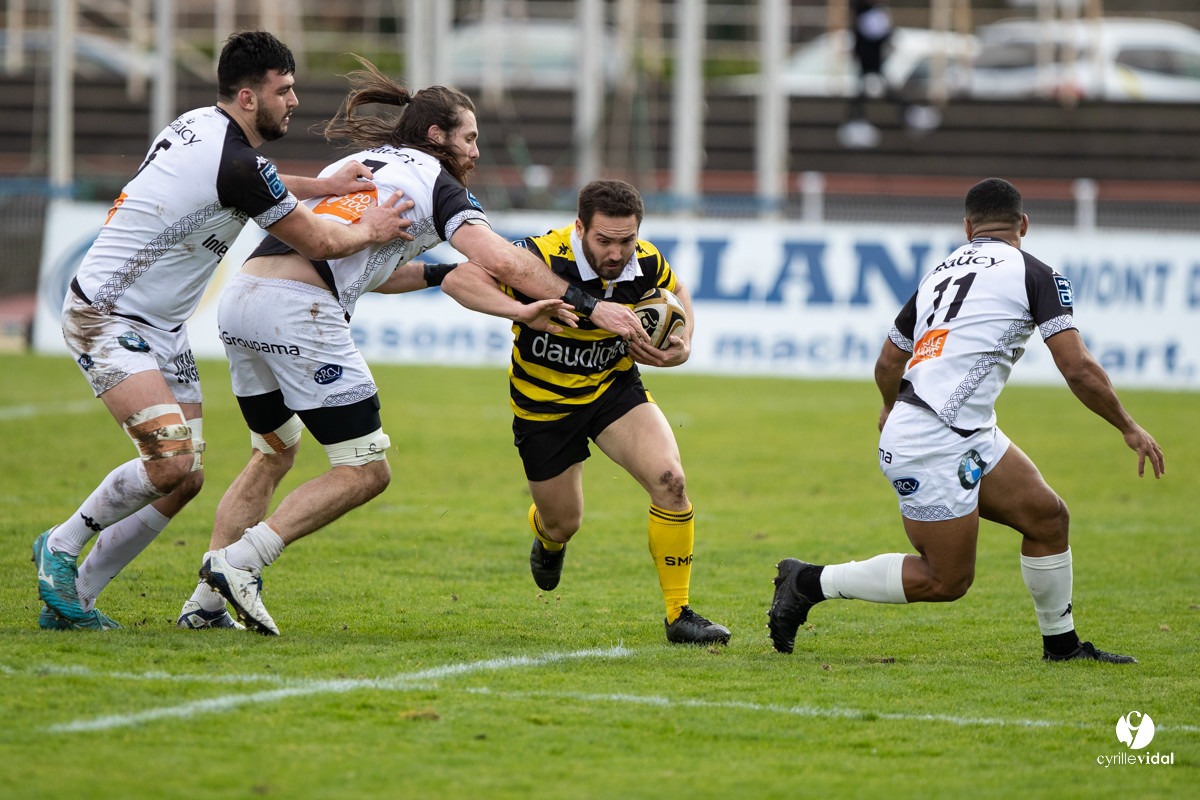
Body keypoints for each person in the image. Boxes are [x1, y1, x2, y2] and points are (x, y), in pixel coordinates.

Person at [179, 59, 645, 635]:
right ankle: (238, 563)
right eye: (469, 138)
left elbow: (363, 262)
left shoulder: (357, 166)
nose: (475, 151)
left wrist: (435, 275)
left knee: (272, 453)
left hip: (243, 296)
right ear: (437, 137)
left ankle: (203, 604)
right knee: (365, 471)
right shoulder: (435, 181)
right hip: (296, 313)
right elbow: (498, 258)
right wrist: (593, 305)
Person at [31, 31, 415, 631]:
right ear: (246, 96)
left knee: (184, 480)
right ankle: (58, 546)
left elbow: (260, 180)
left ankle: (74, 600)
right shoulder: (235, 164)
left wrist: (327, 187)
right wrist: (373, 226)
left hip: (164, 326)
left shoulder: (203, 128)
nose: (292, 102)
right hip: (105, 314)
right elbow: (319, 241)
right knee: (170, 464)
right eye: (282, 91)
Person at [767, 178, 1164, 662]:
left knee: (1047, 517)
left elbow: (888, 364)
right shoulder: (1035, 272)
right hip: (932, 438)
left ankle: (1062, 646)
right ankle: (807, 581)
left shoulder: (938, 273)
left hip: (960, 429)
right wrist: (1127, 425)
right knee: (946, 579)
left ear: (967, 226)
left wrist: (891, 408)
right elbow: (1077, 366)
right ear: (1023, 223)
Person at [439, 179, 732, 645]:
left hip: (612, 392)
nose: (617, 253)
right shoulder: (539, 256)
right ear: (579, 228)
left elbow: (678, 294)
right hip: (544, 406)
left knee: (670, 482)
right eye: (604, 241)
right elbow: (459, 280)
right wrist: (519, 311)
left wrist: (684, 345)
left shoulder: (646, 261)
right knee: (565, 522)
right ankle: (548, 538)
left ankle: (680, 615)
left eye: (626, 240)